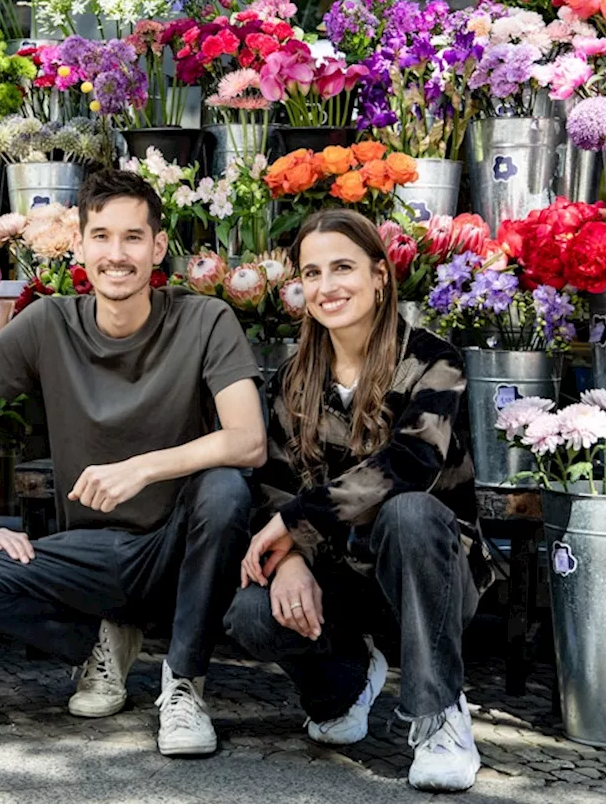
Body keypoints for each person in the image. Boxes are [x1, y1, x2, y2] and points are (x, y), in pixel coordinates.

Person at [0, 169, 266, 756]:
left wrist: (143, 467)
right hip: (91, 558)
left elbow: (248, 440)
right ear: (79, 245)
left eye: (133, 238)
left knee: (225, 489)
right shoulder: (49, 323)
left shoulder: (205, 321)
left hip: (180, 548)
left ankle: (184, 683)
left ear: (158, 248)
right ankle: (100, 640)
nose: (116, 254)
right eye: (101, 236)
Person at [222, 208, 493, 792]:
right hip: (341, 573)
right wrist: (290, 558)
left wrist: (296, 522)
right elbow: (271, 484)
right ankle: (345, 682)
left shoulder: (432, 361)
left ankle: (439, 713)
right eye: (312, 273)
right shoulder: (292, 378)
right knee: (250, 612)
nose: (327, 287)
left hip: (431, 571)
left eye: (342, 267)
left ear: (379, 276)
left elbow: (411, 465)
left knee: (410, 512)